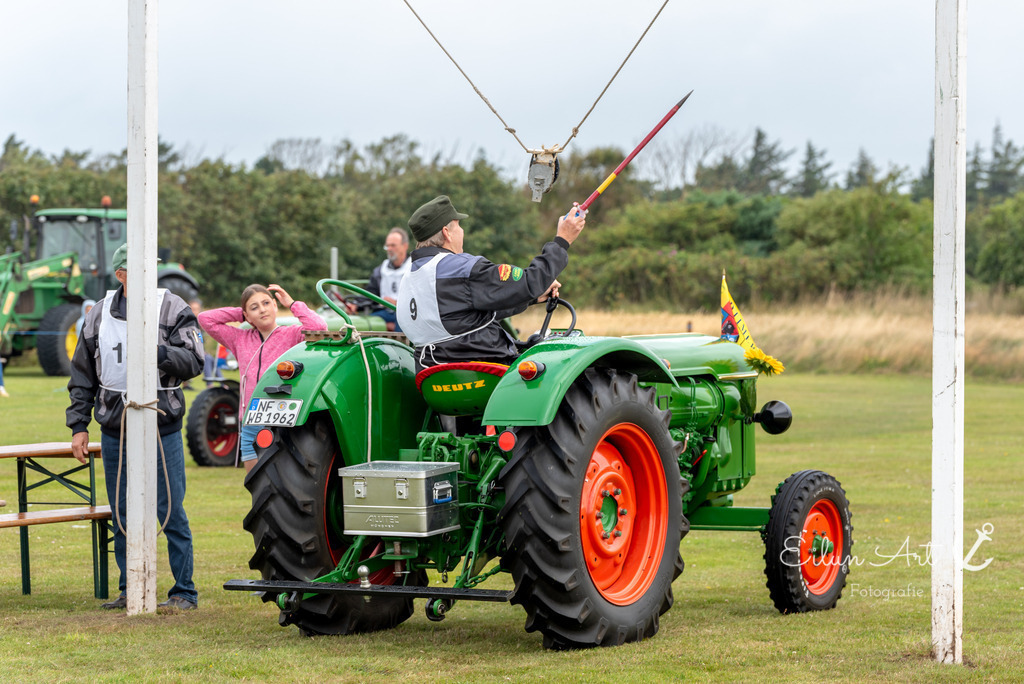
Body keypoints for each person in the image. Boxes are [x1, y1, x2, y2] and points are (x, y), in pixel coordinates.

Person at [67, 243, 203, 611]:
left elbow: (194, 361)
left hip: (163, 424)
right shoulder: (96, 316)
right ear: (122, 275)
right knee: (122, 511)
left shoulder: (174, 307)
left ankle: (183, 591)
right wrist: (78, 424)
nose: (149, 275)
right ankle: (131, 588)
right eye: (139, 269)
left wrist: (158, 352)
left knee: (170, 508)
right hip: (115, 427)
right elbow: (83, 375)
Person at [396, 195, 585, 371]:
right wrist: (562, 241)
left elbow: (463, 320)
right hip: (487, 373)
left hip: (435, 384)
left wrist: (531, 299)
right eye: (459, 226)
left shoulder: (409, 279)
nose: (462, 232)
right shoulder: (462, 268)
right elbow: (530, 281)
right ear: (447, 233)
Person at [198, 284, 327, 472]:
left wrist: (291, 304)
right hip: (251, 420)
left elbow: (319, 327)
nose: (262, 309)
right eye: (254, 307)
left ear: (275, 306)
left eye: (266, 303)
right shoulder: (239, 338)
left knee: (284, 482)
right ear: (247, 316)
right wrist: (241, 314)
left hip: (283, 419)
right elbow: (205, 319)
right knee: (256, 486)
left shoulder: (291, 334)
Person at [347, 227, 412, 332]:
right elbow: (370, 293)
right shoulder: (381, 270)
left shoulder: (414, 267)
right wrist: (356, 305)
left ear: (405, 246)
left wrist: (397, 303)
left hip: (405, 313)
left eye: (393, 245)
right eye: (387, 246)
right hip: (383, 312)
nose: (389, 249)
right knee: (366, 324)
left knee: (404, 322)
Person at [187, 298, 224, 388]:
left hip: (197, 353)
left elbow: (200, 340)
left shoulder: (199, 324)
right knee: (207, 358)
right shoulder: (186, 323)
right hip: (188, 353)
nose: (194, 312)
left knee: (211, 359)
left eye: (196, 309)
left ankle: (223, 383)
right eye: (192, 309)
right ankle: (210, 385)